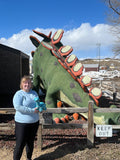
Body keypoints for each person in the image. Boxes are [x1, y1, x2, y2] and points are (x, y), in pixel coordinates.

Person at [13, 75, 39, 160]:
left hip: (34, 122)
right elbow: (18, 107)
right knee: (20, 144)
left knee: (30, 143)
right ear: (21, 84)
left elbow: (38, 104)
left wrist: (41, 107)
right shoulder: (19, 94)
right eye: (25, 82)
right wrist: (32, 111)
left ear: (31, 84)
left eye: (28, 82)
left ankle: (29, 158)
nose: (27, 84)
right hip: (22, 123)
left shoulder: (34, 93)